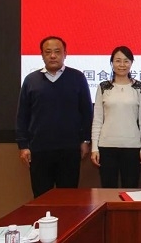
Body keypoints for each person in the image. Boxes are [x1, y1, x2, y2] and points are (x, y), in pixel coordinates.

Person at [16, 36, 93, 198]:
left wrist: (86, 140)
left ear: (65, 54)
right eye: (48, 52)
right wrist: (23, 145)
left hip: (70, 149)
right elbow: (22, 115)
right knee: (41, 197)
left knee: (68, 197)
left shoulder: (77, 77)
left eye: (57, 52)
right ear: (42, 55)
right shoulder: (31, 80)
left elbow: (87, 112)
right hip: (39, 149)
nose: (53, 56)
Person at [90, 46, 141, 188]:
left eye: (126, 61)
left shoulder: (139, 87)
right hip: (106, 146)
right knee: (108, 189)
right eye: (118, 61)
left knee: (131, 188)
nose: (122, 65)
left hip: (132, 146)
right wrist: (94, 147)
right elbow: (97, 119)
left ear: (131, 63)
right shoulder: (103, 87)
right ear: (112, 63)